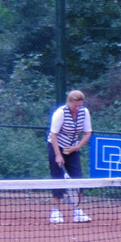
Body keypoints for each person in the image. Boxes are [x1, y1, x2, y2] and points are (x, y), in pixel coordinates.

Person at [47, 90, 92, 223]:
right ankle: (55, 211)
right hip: (56, 146)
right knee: (58, 178)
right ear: (69, 102)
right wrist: (58, 155)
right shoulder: (60, 113)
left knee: (78, 178)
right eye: (75, 105)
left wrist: (76, 147)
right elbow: (53, 134)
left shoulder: (84, 112)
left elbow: (87, 133)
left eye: (80, 105)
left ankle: (77, 211)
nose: (78, 108)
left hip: (72, 149)